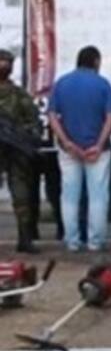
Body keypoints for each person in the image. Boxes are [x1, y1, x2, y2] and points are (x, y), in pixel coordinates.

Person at [47, 46, 111, 252]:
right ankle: (95, 242)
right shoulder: (103, 84)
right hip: (98, 150)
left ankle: (72, 241)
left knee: (69, 195)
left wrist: (66, 142)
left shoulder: (61, 83)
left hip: (68, 150)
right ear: (96, 62)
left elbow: (52, 115)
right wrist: (99, 144)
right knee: (98, 196)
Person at [0, 48, 42, 252]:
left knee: (21, 194)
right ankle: (25, 238)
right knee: (21, 193)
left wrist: (21, 135)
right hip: (11, 148)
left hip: (14, 149)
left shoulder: (19, 94)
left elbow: (34, 123)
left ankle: (25, 238)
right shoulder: (19, 94)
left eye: (5, 62)